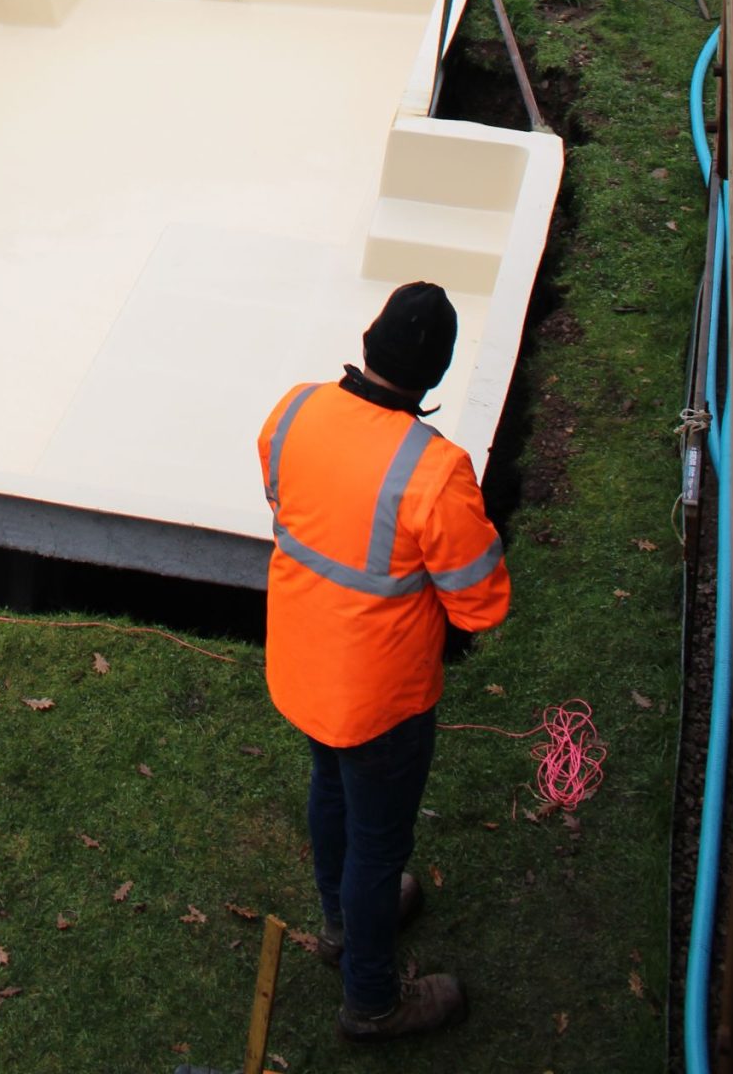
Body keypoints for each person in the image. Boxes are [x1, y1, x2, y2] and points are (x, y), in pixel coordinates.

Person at [256, 282, 510, 1041]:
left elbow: (283, 500)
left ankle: (338, 924)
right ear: (435, 373)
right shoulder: (433, 470)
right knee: (377, 847)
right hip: (379, 699)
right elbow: (480, 603)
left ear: (367, 345)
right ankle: (371, 1000)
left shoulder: (295, 409)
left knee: (328, 790)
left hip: (301, 664)